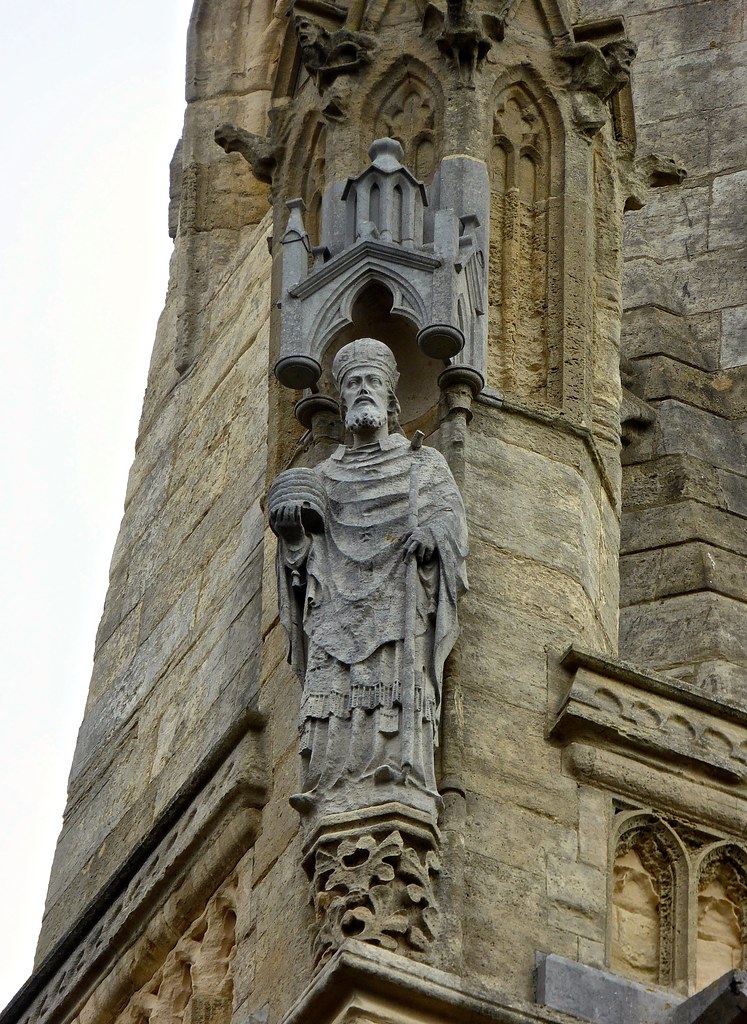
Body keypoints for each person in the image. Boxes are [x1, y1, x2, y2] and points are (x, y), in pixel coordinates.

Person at [269, 338, 468, 820]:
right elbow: (300, 562)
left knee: (394, 689)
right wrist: (294, 535)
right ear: (341, 398)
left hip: (400, 605)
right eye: (353, 383)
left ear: (390, 398)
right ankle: (329, 782)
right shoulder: (322, 477)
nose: (363, 391)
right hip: (336, 610)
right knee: (334, 691)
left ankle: (403, 774)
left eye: (372, 382)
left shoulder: (423, 464)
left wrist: (431, 536)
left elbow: (450, 523)